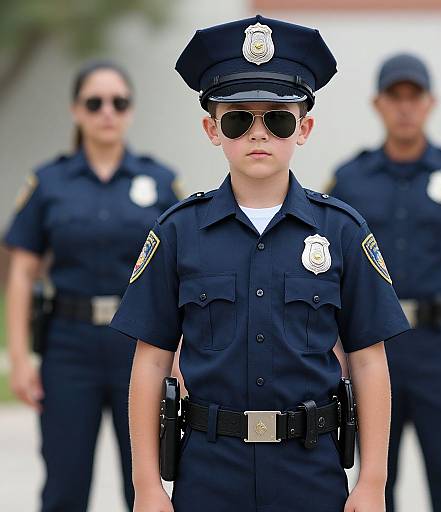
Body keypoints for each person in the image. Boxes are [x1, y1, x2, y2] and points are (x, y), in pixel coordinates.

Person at [110, 15, 410, 512]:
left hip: (309, 470)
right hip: (209, 469)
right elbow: (151, 362)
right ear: (212, 129)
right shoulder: (178, 232)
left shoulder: (342, 231)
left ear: (304, 128)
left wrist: (373, 482)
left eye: (278, 118)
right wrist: (146, 487)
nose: (258, 133)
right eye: (237, 118)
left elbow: (368, 360)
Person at [327, 53, 441, 512]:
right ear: (378, 104)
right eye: (395, 97)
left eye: (415, 97)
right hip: (372, 347)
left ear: (430, 103)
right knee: (374, 483)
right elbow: (328, 268)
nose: (405, 107)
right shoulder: (350, 181)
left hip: (440, 349)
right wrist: (333, 347)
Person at [4, 59, 181, 512]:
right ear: (76, 110)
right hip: (69, 347)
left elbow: (181, 273)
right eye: (95, 102)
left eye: (119, 102)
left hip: (138, 347)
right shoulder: (49, 182)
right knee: (65, 484)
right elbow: (22, 272)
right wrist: (21, 359)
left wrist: (180, 355)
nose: (107, 111)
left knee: (145, 485)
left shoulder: (160, 182)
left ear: (130, 111)